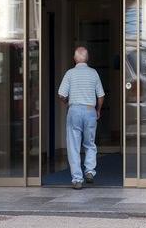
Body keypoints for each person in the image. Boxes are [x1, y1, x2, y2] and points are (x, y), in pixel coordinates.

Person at [58, 46, 105, 190]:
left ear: (74, 58)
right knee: (90, 143)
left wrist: (67, 103)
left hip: (74, 110)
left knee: (73, 146)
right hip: (90, 110)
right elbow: (101, 95)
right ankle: (90, 170)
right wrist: (98, 110)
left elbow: (61, 94)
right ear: (87, 58)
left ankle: (77, 179)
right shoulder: (93, 73)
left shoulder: (69, 74)